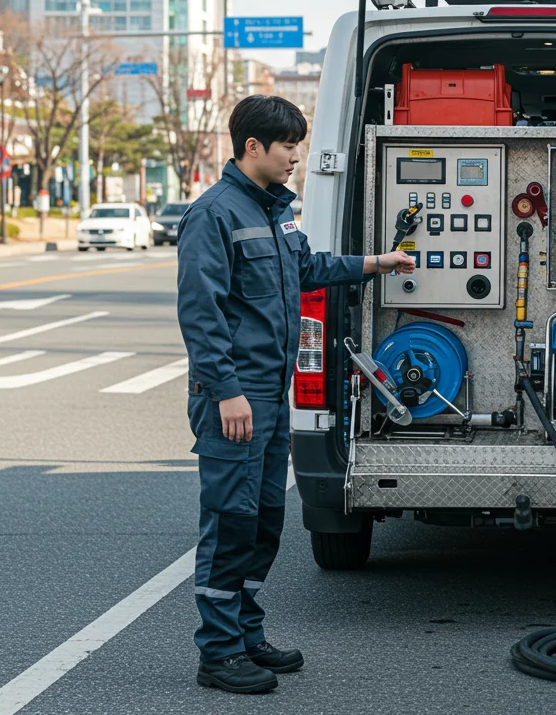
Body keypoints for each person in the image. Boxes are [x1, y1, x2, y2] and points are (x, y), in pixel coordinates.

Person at [176, 95, 415, 694]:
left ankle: (246, 635)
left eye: (297, 147)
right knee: (230, 521)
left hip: (268, 394)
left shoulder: (276, 211)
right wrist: (226, 391)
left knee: (263, 521)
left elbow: (308, 267)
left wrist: (377, 263)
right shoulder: (215, 215)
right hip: (235, 397)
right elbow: (201, 314)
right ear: (252, 146)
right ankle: (218, 653)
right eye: (287, 146)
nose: (294, 158)